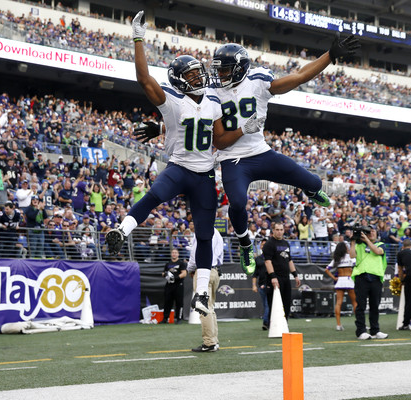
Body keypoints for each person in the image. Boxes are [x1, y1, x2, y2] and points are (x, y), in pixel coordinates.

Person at [104, 10, 260, 317]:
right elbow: (144, 79)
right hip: (179, 168)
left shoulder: (213, 100)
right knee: (152, 196)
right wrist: (138, 40)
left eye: (198, 73)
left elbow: (218, 139)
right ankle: (121, 231)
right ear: (179, 80)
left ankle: (201, 293)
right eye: (190, 75)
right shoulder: (172, 100)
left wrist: (244, 129)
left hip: (204, 176)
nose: (198, 77)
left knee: (204, 235)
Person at [209, 37, 359, 275]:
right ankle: (246, 244)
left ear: (239, 69)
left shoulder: (257, 81)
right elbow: (214, 136)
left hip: (261, 152)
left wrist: (329, 56)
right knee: (236, 203)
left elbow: (298, 76)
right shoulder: (212, 92)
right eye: (219, 69)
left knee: (314, 182)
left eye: (225, 69)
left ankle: (311, 190)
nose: (220, 75)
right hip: (232, 159)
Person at [349, 227, 389, 340]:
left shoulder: (381, 244)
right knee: (360, 305)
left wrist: (367, 240)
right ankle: (361, 331)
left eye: (373, 232)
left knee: (374, 306)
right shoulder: (359, 245)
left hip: (376, 277)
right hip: (362, 276)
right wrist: (352, 242)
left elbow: (378, 251)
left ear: (376, 234)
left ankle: (375, 330)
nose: (370, 233)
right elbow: (352, 255)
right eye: (368, 232)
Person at [188, 228, 224, 352]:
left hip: (204, 271)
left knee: (203, 307)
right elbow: (220, 253)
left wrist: (190, 268)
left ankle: (209, 343)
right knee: (210, 307)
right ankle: (214, 340)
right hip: (216, 271)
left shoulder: (201, 232)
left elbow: (194, 254)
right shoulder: (217, 233)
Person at [262, 221, 301, 322]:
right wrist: (273, 277)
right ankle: (273, 326)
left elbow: (289, 260)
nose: (279, 232)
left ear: (284, 231)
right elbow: (267, 262)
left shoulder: (285, 243)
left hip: (286, 278)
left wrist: (295, 275)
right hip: (275, 278)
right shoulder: (269, 244)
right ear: (273, 231)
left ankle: (285, 324)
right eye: (277, 230)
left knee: (286, 302)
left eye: (281, 230)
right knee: (274, 303)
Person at [324, 242, 357, 331]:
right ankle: (360, 323)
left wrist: (334, 278)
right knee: (354, 303)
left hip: (340, 281)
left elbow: (326, 269)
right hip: (349, 280)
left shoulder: (336, 259)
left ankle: (338, 325)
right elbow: (357, 265)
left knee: (338, 303)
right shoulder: (351, 257)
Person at [161, 248, 188, 324]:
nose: (174, 254)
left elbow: (184, 273)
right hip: (169, 285)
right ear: (171, 254)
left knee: (179, 302)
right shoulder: (168, 264)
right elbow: (163, 273)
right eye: (173, 252)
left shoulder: (181, 263)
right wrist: (166, 275)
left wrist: (176, 277)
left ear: (178, 254)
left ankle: (179, 318)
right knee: (167, 302)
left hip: (178, 285)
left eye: (175, 253)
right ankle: (165, 318)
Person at [252, 241, 270, 330]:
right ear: (260, 246)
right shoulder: (258, 259)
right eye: (262, 244)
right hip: (261, 285)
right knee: (266, 305)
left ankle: (266, 323)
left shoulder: (272, 257)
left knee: (268, 305)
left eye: (265, 244)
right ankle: (269, 322)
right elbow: (255, 274)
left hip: (270, 284)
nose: (264, 246)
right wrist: (254, 285)